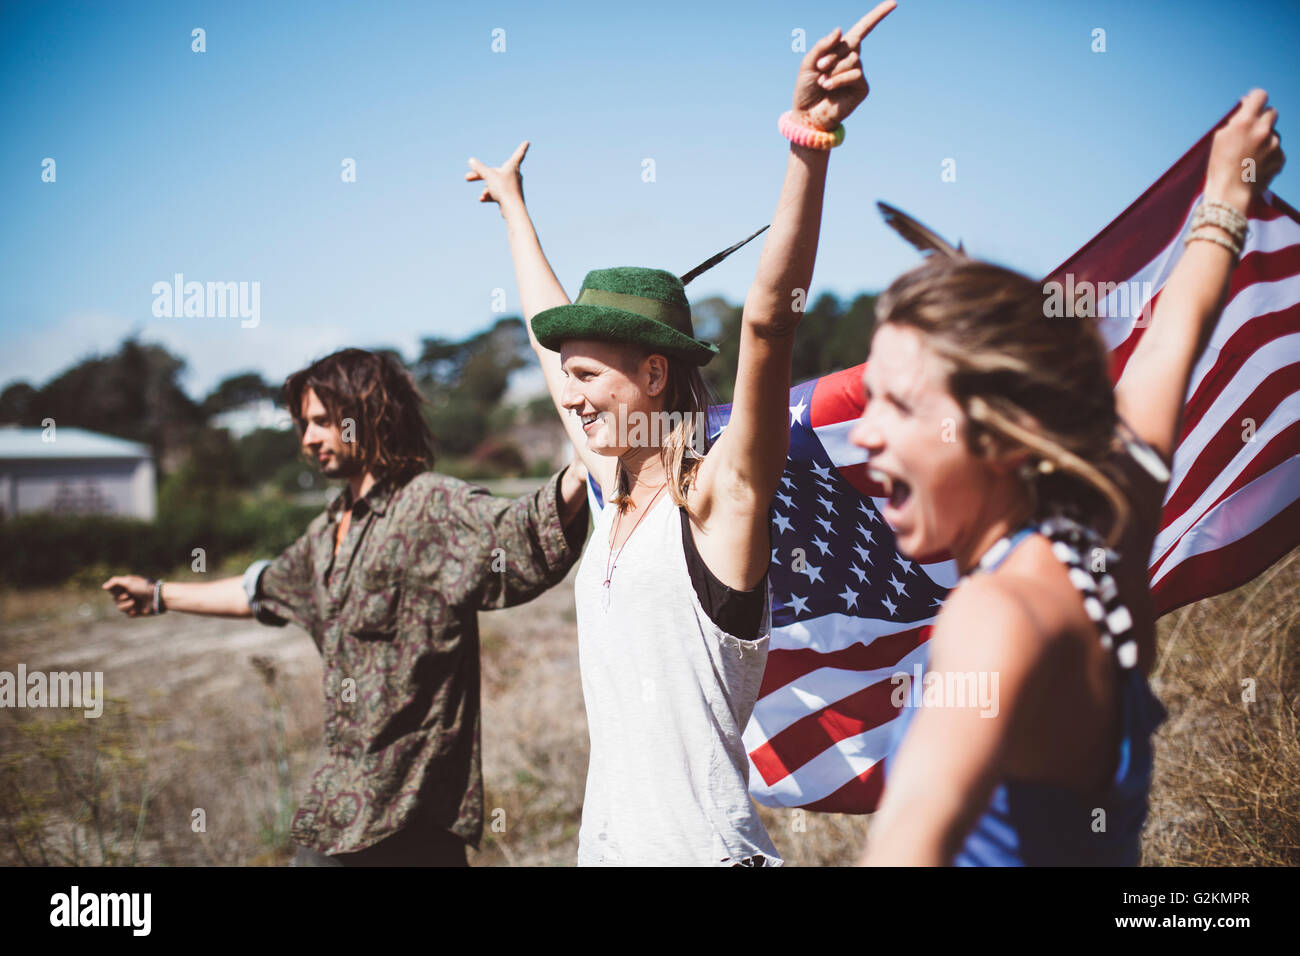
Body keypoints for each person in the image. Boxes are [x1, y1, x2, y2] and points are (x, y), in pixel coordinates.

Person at [466, 4, 899, 865]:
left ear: (655, 374)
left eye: (593, 375)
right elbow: (547, 337)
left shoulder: (718, 496)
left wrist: (808, 139)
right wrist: (514, 210)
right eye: (570, 376)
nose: (573, 397)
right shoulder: (610, 486)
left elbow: (771, 323)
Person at [855, 91, 1284, 865]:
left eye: (901, 405)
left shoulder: (995, 614)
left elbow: (913, 829)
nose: (863, 431)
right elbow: (1171, 338)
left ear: (1009, 440)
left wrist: (1228, 192)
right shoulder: (1108, 532)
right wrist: (1227, 194)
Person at [103, 348, 590, 866]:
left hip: (413, 811)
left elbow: (516, 533)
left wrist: (582, 471)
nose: (308, 438)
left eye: (321, 422)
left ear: (368, 416)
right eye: (302, 424)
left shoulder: (428, 507)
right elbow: (262, 590)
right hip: (341, 809)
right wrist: (158, 595)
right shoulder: (327, 532)